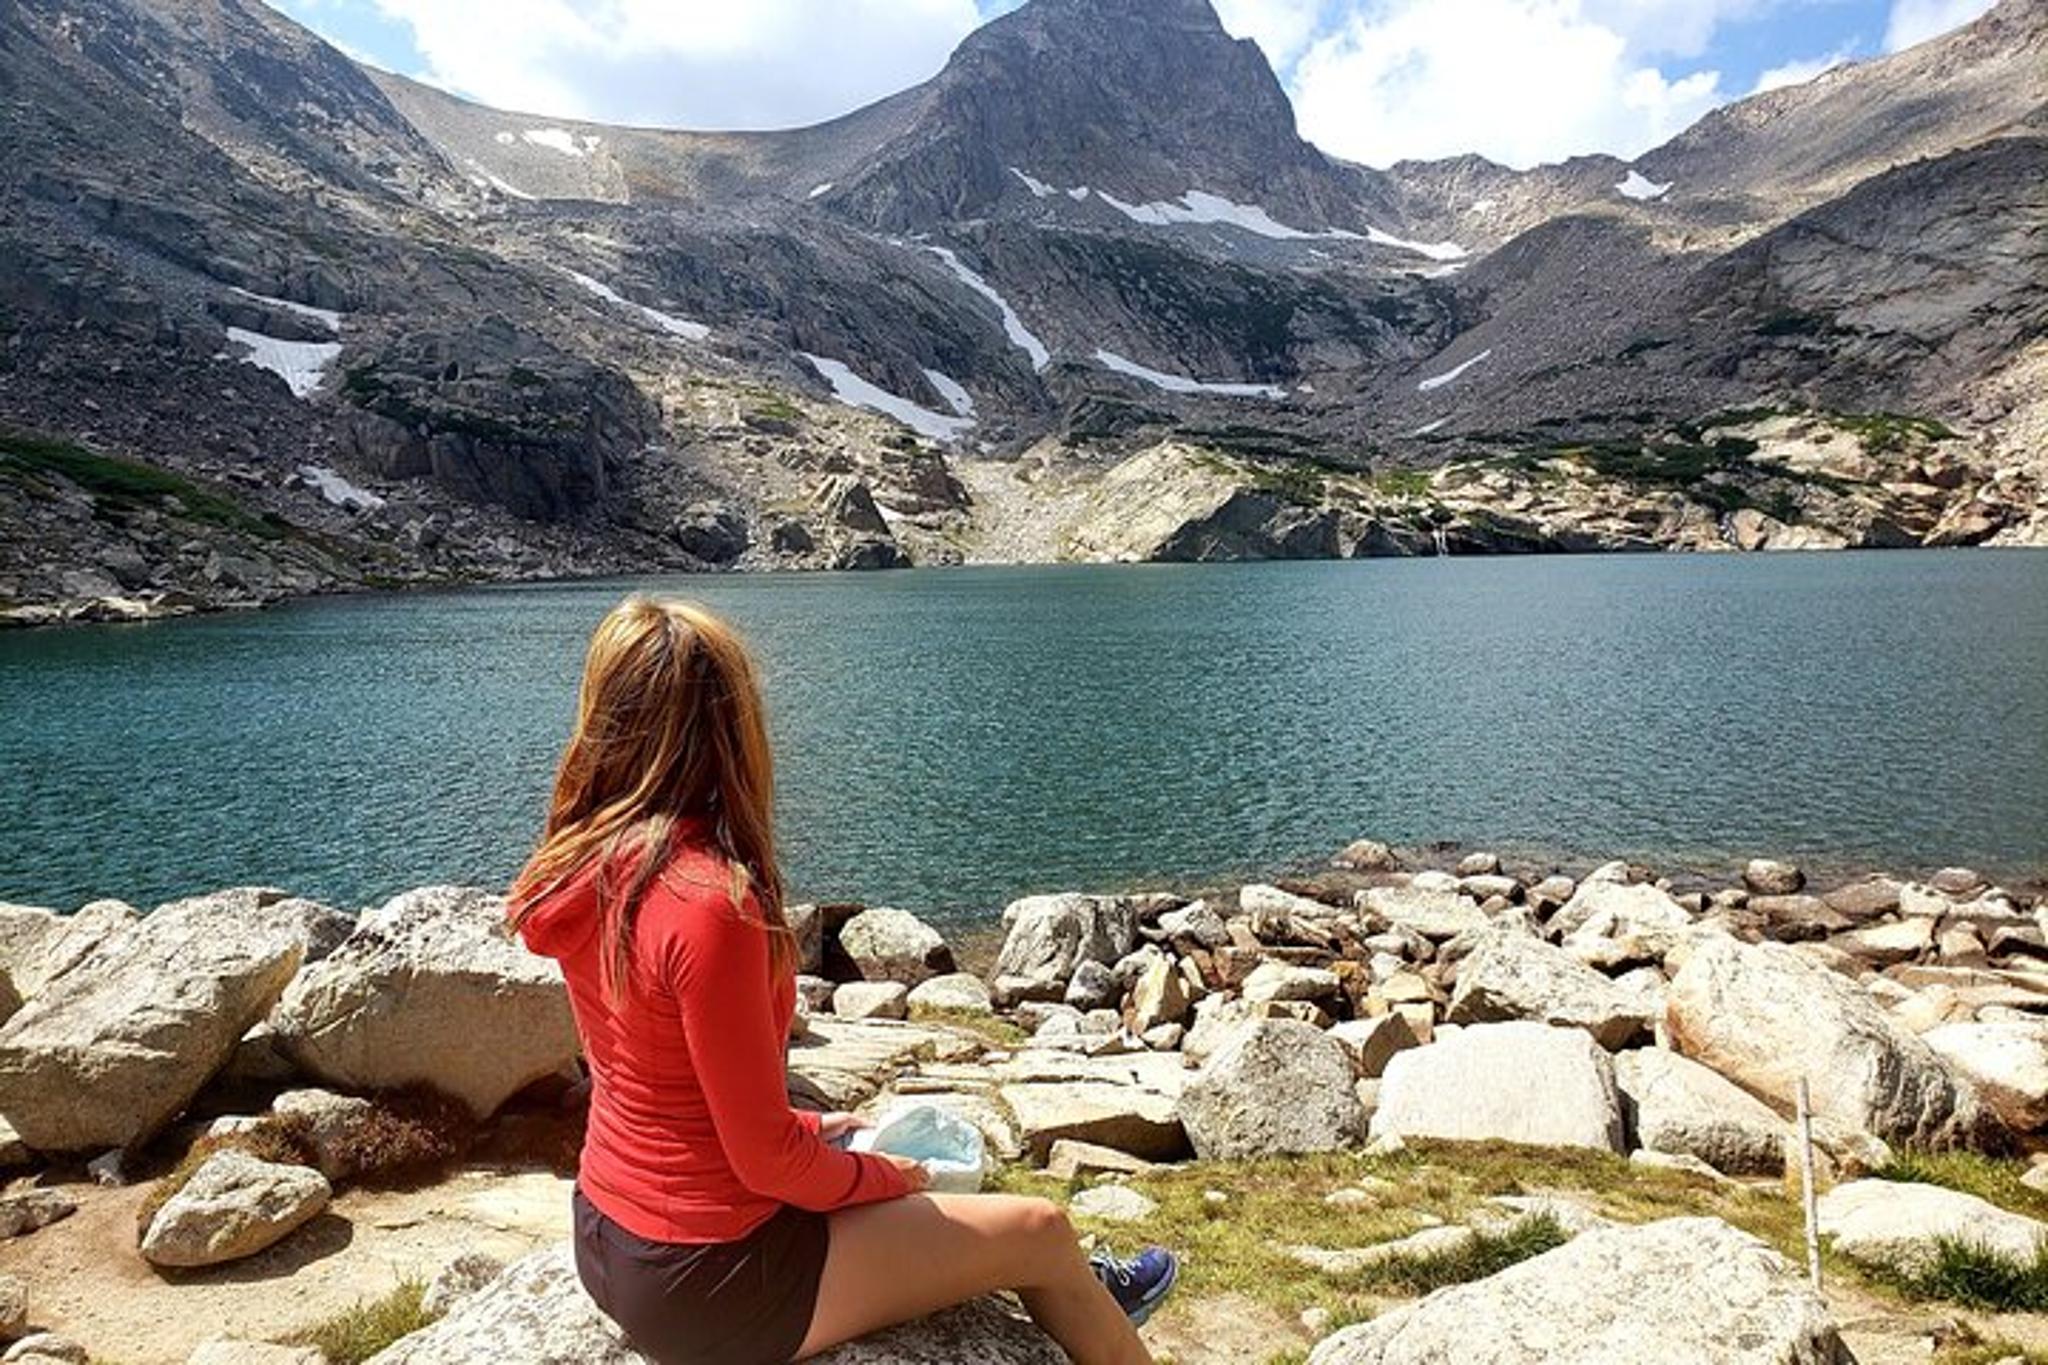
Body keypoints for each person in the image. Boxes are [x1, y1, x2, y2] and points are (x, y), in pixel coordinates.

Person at [510, 596, 1176, 1365]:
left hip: (606, 1232)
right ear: (728, 730)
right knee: (1042, 1231)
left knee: (870, 1155)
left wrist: (814, 1134)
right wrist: (885, 1174)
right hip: (710, 1277)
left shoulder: (585, 867)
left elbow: (668, 1087)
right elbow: (762, 1163)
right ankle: (1076, 1290)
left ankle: (1066, 1291)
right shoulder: (707, 903)